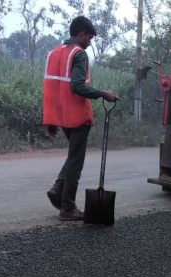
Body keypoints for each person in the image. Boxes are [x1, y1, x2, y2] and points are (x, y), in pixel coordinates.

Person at [44, 16, 120, 221]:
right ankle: (67, 208)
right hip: (76, 116)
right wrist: (103, 93)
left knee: (73, 155)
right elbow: (77, 86)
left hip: (60, 116)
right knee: (76, 161)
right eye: (89, 37)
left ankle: (58, 189)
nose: (90, 42)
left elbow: (50, 88)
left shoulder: (54, 53)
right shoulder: (79, 55)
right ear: (81, 34)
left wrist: (50, 119)